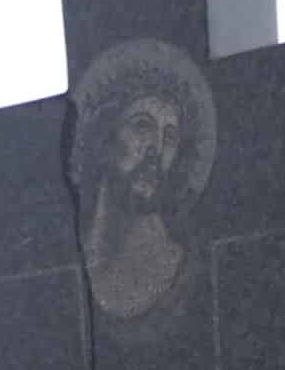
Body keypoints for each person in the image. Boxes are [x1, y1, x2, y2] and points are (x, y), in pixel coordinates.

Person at [69, 40, 217, 325]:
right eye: (142, 127)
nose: (156, 151)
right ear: (105, 140)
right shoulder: (75, 256)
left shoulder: (173, 264)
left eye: (170, 137)